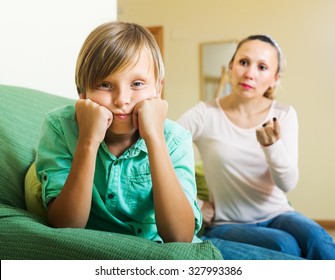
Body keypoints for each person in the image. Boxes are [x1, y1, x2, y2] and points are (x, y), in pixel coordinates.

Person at [35, 22, 300, 259]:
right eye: (105, 85)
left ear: (158, 88)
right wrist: (88, 142)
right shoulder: (60, 127)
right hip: (170, 244)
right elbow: (65, 226)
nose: (122, 100)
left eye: (137, 83)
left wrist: (154, 137)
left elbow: (180, 236)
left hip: (170, 245)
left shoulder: (173, 137)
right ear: (82, 92)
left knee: (297, 253)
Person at [178, 34, 335, 260]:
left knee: (318, 240)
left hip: (279, 213)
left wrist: (271, 146)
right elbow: (162, 152)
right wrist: (195, 202)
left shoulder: (283, 114)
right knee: (284, 245)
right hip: (227, 222)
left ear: (275, 79)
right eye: (243, 62)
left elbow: (287, 183)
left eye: (262, 67)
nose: (249, 73)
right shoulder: (204, 114)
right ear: (231, 67)